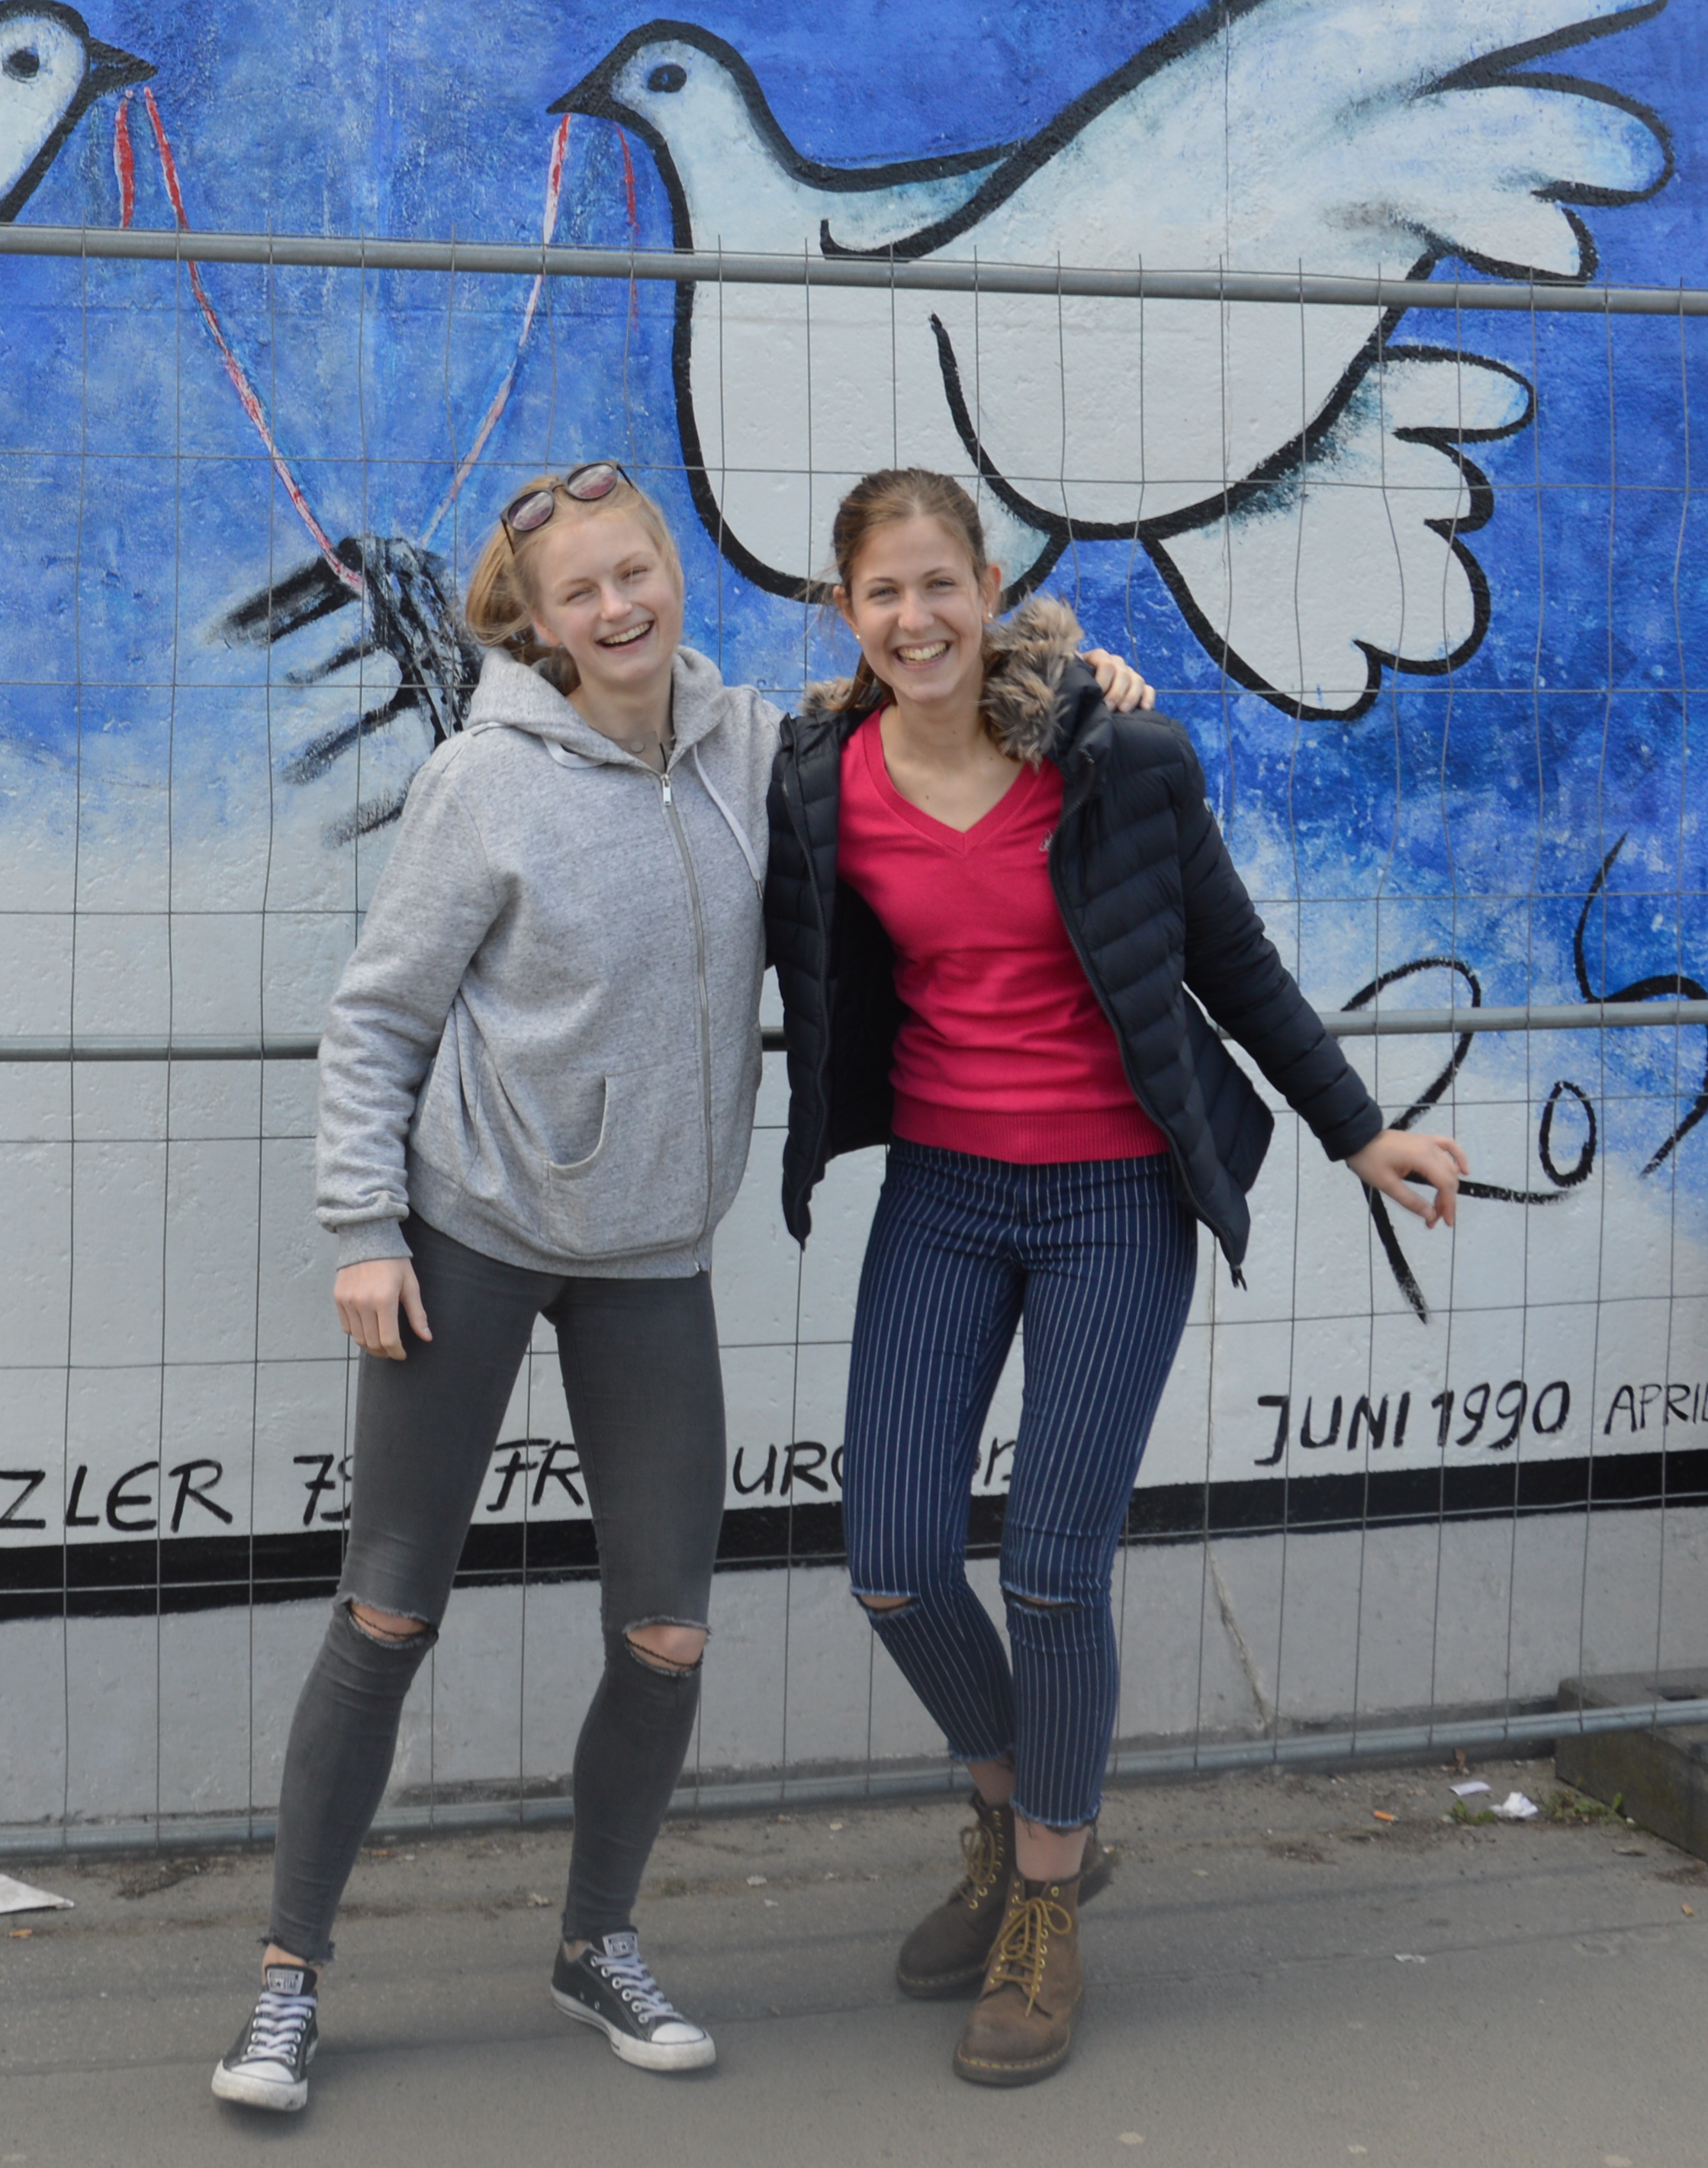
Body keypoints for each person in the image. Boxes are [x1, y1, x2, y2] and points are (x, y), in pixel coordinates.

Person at [207, 458, 1146, 2113]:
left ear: (671, 574)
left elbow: (928, 695)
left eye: (635, 571)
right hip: (470, 1239)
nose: (618, 605)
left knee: (660, 1631)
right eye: (581, 592)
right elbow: (376, 1014)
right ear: (538, 619)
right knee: (387, 1608)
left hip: (649, 1254)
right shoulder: (481, 779)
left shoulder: (751, 747)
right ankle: (285, 1980)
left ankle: (596, 1942)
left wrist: (1077, 686)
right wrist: (362, 1223)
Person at [762, 465, 1469, 2089]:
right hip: (939, 1193)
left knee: (1055, 1572)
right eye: (882, 590)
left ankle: (1048, 1901)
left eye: (941, 581)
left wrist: (1357, 1130)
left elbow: (1230, 960)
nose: (916, 616)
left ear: (988, 580)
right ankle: (1017, 1814)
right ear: (844, 606)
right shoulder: (819, 779)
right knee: (887, 1555)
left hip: (1110, 1199)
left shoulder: (1115, 755)